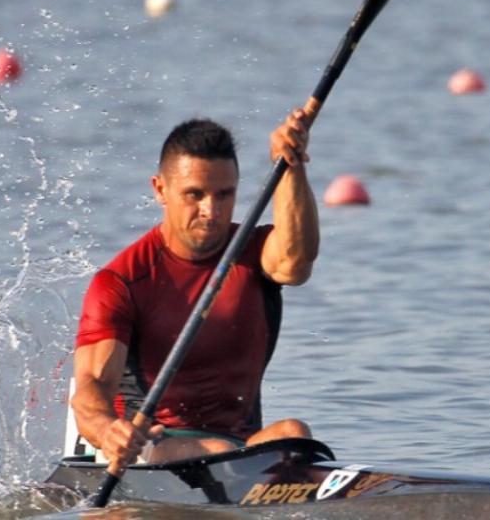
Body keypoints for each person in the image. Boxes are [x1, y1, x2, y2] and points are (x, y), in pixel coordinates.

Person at [70, 104, 320, 468]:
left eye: (224, 195)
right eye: (195, 195)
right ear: (160, 189)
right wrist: (108, 430)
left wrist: (290, 167)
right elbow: (91, 387)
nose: (212, 211)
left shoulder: (252, 251)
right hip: (148, 448)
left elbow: (296, 263)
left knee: (294, 433)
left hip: (239, 445)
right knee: (220, 454)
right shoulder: (122, 281)